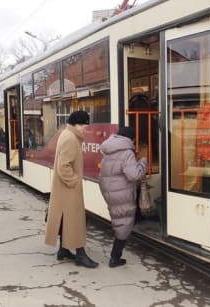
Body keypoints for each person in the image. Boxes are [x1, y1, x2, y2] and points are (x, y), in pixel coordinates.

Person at [45, 110, 98, 268]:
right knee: (76, 221)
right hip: (68, 189)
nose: (85, 128)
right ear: (75, 124)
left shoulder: (67, 134)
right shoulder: (71, 138)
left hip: (63, 188)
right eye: (83, 125)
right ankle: (80, 255)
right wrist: (74, 181)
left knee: (66, 219)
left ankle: (63, 250)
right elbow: (63, 166)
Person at [99, 126, 147, 268]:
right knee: (123, 223)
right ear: (131, 139)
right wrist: (143, 162)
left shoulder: (108, 150)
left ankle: (116, 256)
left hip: (109, 190)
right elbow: (134, 175)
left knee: (121, 219)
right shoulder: (127, 153)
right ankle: (115, 258)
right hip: (121, 191)